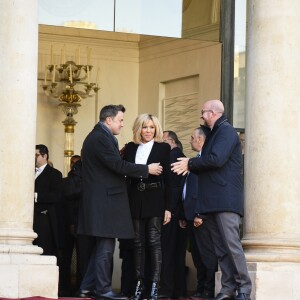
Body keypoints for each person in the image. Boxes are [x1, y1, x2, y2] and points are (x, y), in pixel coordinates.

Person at [77, 105, 163, 300]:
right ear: (109, 120)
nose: (122, 124)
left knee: (102, 247)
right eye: (120, 120)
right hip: (104, 202)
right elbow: (117, 165)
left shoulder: (100, 136)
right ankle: (103, 289)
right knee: (106, 248)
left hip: (101, 201)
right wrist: (145, 169)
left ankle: (86, 287)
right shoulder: (100, 138)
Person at [171, 100, 252, 300]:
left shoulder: (226, 131)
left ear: (213, 113)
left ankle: (244, 288)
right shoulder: (216, 132)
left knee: (231, 246)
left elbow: (216, 159)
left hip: (224, 199)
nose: (201, 116)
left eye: (203, 112)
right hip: (212, 201)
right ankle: (227, 288)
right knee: (220, 249)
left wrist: (190, 163)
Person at [123, 114, 172, 300]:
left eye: (152, 127)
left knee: (154, 242)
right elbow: (127, 175)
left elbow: (168, 179)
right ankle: (138, 284)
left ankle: (154, 286)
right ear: (138, 129)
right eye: (145, 127)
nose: (148, 131)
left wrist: (168, 207)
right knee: (137, 243)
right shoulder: (130, 148)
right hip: (135, 198)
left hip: (155, 198)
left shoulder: (163, 148)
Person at [179, 126, 218, 300]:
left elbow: (205, 191)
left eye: (192, 137)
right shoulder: (195, 160)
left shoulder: (206, 162)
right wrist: (184, 215)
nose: (190, 140)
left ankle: (208, 291)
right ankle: (200, 289)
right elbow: (188, 190)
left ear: (201, 140)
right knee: (196, 255)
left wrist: (200, 214)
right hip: (190, 217)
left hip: (201, 217)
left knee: (206, 255)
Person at [159, 130, 187, 298]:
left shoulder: (171, 158)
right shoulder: (182, 157)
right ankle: (179, 291)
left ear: (170, 142)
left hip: (172, 213)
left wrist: (169, 209)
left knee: (167, 253)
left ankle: (167, 290)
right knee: (178, 254)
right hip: (181, 214)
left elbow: (174, 188)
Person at [34, 144, 63, 257]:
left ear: (44, 155)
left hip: (44, 219)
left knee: (43, 249)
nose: (34, 158)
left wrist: (36, 196)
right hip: (28, 220)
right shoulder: (28, 172)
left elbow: (56, 196)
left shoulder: (55, 174)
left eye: (36, 155)